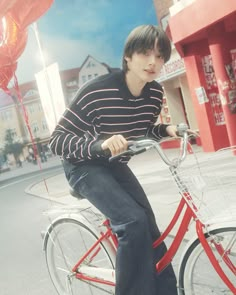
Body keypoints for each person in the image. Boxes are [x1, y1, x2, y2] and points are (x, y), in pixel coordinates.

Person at [49, 24, 178, 295]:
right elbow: (57, 141)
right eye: (145, 53)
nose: (153, 62)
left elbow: (140, 129)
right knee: (132, 222)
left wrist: (167, 130)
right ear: (128, 57)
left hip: (115, 164)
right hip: (82, 166)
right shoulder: (96, 91)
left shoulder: (154, 94)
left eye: (160, 55)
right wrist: (98, 145)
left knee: (148, 222)